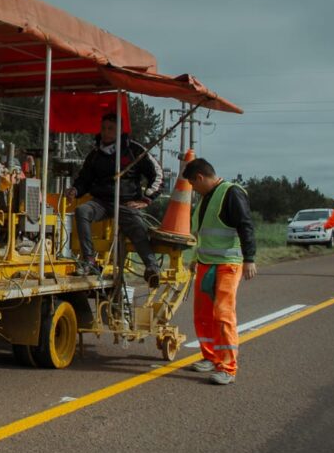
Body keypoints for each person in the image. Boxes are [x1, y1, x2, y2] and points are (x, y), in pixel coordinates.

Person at [63, 113, 163, 286]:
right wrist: (75, 190)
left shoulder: (135, 150)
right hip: (101, 202)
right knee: (82, 211)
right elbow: (84, 179)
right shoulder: (95, 154)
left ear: (120, 131)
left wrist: (146, 199)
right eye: (103, 128)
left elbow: (157, 174)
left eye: (110, 129)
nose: (106, 132)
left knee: (138, 229)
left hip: (127, 202)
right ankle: (89, 261)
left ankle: (152, 268)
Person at [183, 157, 257, 386]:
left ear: (200, 177)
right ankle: (211, 356)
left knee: (223, 314)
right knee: (203, 314)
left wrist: (250, 258)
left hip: (228, 263)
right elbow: (203, 234)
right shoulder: (206, 198)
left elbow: (246, 225)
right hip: (206, 262)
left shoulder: (231, 193)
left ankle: (227, 367)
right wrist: (195, 258)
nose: (193, 190)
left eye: (193, 185)